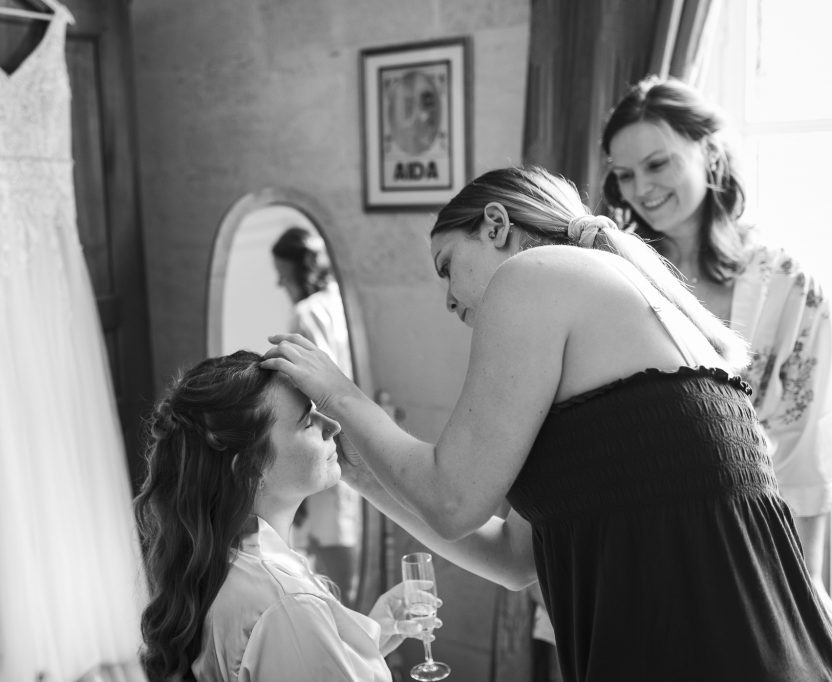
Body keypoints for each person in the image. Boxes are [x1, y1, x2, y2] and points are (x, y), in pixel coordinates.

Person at [263, 166, 832, 681]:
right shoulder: (609, 323)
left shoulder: (535, 275)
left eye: (448, 267)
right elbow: (514, 560)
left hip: (705, 644)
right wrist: (363, 476)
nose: (448, 300)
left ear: (494, 225)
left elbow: (453, 500)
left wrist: (339, 392)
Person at [601, 76, 832, 593]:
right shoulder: (614, 274)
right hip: (630, 537)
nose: (642, 189)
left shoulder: (791, 287)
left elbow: (804, 447)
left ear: (709, 151)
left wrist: (810, 585)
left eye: (657, 164)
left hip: (749, 546)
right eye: (625, 175)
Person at [134, 350, 439, 682]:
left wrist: (372, 633)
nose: (333, 426)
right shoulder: (289, 606)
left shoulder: (226, 562)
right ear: (251, 469)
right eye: (308, 420)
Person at [271, 226, 362, 602]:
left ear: (297, 270)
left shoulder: (307, 314)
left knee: (332, 569)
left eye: (282, 273)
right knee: (349, 548)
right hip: (358, 438)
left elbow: (311, 389)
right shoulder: (342, 303)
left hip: (324, 441)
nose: (279, 282)